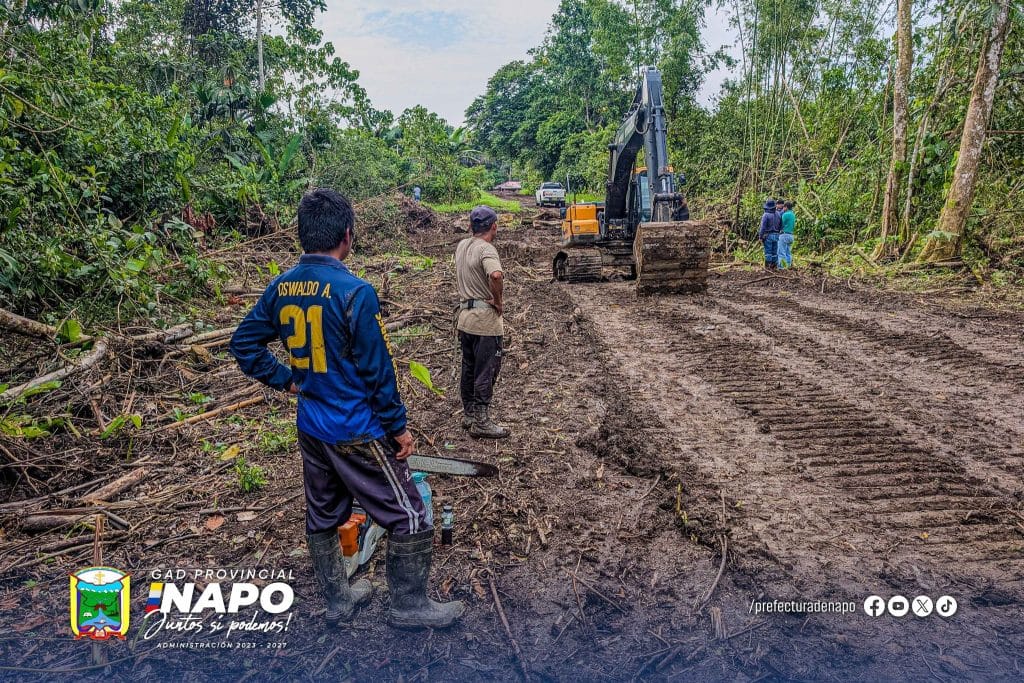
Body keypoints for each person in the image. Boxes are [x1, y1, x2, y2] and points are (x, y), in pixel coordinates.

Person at [229, 188, 464, 630]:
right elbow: (379, 372)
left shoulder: (280, 287)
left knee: (322, 513)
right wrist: (398, 428)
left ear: (302, 235)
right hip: (356, 428)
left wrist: (287, 379)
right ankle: (409, 606)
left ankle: (339, 601)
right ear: (348, 236)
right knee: (410, 514)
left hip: (312, 426)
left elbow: (242, 344)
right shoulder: (355, 293)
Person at [455, 206, 509, 439]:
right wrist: (498, 301)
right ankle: (481, 421)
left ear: (471, 226)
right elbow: (495, 275)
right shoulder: (487, 249)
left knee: (468, 367)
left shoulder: (462, 246)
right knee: (485, 370)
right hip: (485, 322)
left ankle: (469, 415)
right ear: (494, 226)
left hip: (465, 319)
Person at [758, 198, 782, 269]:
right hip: (777, 235)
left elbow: (763, 227)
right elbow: (781, 225)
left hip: (768, 235)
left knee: (768, 251)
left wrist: (760, 237)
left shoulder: (766, 215)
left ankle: (768, 267)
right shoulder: (778, 214)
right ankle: (774, 266)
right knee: (774, 251)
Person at [778, 200, 796, 268]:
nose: (783, 209)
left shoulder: (785, 215)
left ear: (786, 207)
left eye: (784, 207)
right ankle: (788, 266)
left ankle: (781, 268)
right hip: (791, 235)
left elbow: (780, 224)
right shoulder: (793, 214)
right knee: (788, 252)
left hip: (784, 235)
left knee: (781, 252)